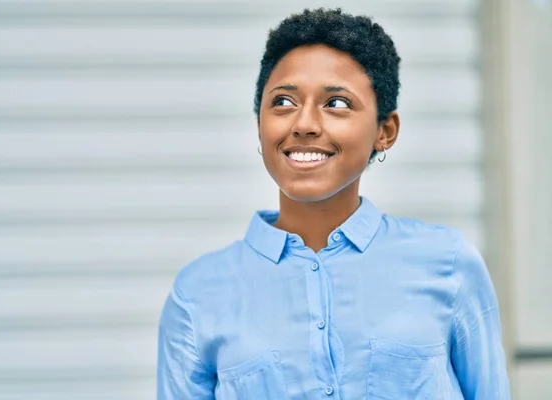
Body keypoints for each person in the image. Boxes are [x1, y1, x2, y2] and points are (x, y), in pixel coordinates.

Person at [157, 8, 510, 400]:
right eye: (284, 102)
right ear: (260, 122)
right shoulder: (198, 294)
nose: (304, 123)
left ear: (385, 131)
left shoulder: (449, 263)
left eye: (337, 104)